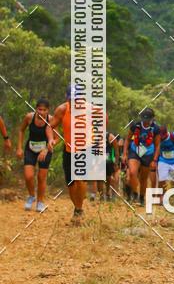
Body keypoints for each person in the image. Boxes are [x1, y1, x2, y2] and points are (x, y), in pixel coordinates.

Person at [50, 84, 107, 225]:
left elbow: (104, 118)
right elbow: (50, 126)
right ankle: (77, 207)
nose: (75, 102)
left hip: (85, 149)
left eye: (77, 99)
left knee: (80, 180)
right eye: (72, 99)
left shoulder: (90, 109)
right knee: (71, 183)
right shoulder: (62, 110)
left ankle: (79, 209)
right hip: (69, 150)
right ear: (67, 98)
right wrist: (52, 139)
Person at [16, 98, 54, 212]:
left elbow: (56, 138)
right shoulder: (29, 117)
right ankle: (31, 196)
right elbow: (21, 130)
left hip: (45, 151)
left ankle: (40, 202)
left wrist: (46, 149)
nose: (41, 112)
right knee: (28, 176)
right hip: (30, 149)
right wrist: (19, 148)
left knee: (41, 177)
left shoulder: (51, 120)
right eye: (39, 109)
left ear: (48, 110)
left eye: (44, 110)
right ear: (36, 109)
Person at [123, 108, 160, 206]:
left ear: (152, 119)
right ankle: (135, 194)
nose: (146, 122)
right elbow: (127, 139)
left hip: (148, 154)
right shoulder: (135, 126)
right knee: (132, 173)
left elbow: (157, 145)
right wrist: (125, 154)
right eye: (144, 119)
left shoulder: (156, 129)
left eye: (148, 119)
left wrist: (154, 160)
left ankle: (142, 198)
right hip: (135, 150)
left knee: (143, 178)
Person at [156, 126, 174, 202]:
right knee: (161, 179)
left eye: (162, 136)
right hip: (163, 161)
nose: (161, 137)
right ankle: (161, 197)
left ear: (166, 133)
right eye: (160, 136)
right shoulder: (158, 138)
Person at [99, 131, 120, 202]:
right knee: (99, 178)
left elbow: (116, 151)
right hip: (98, 160)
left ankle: (108, 193)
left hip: (108, 161)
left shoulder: (110, 137)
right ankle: (101, 196)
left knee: (108, 178)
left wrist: (116, 163)